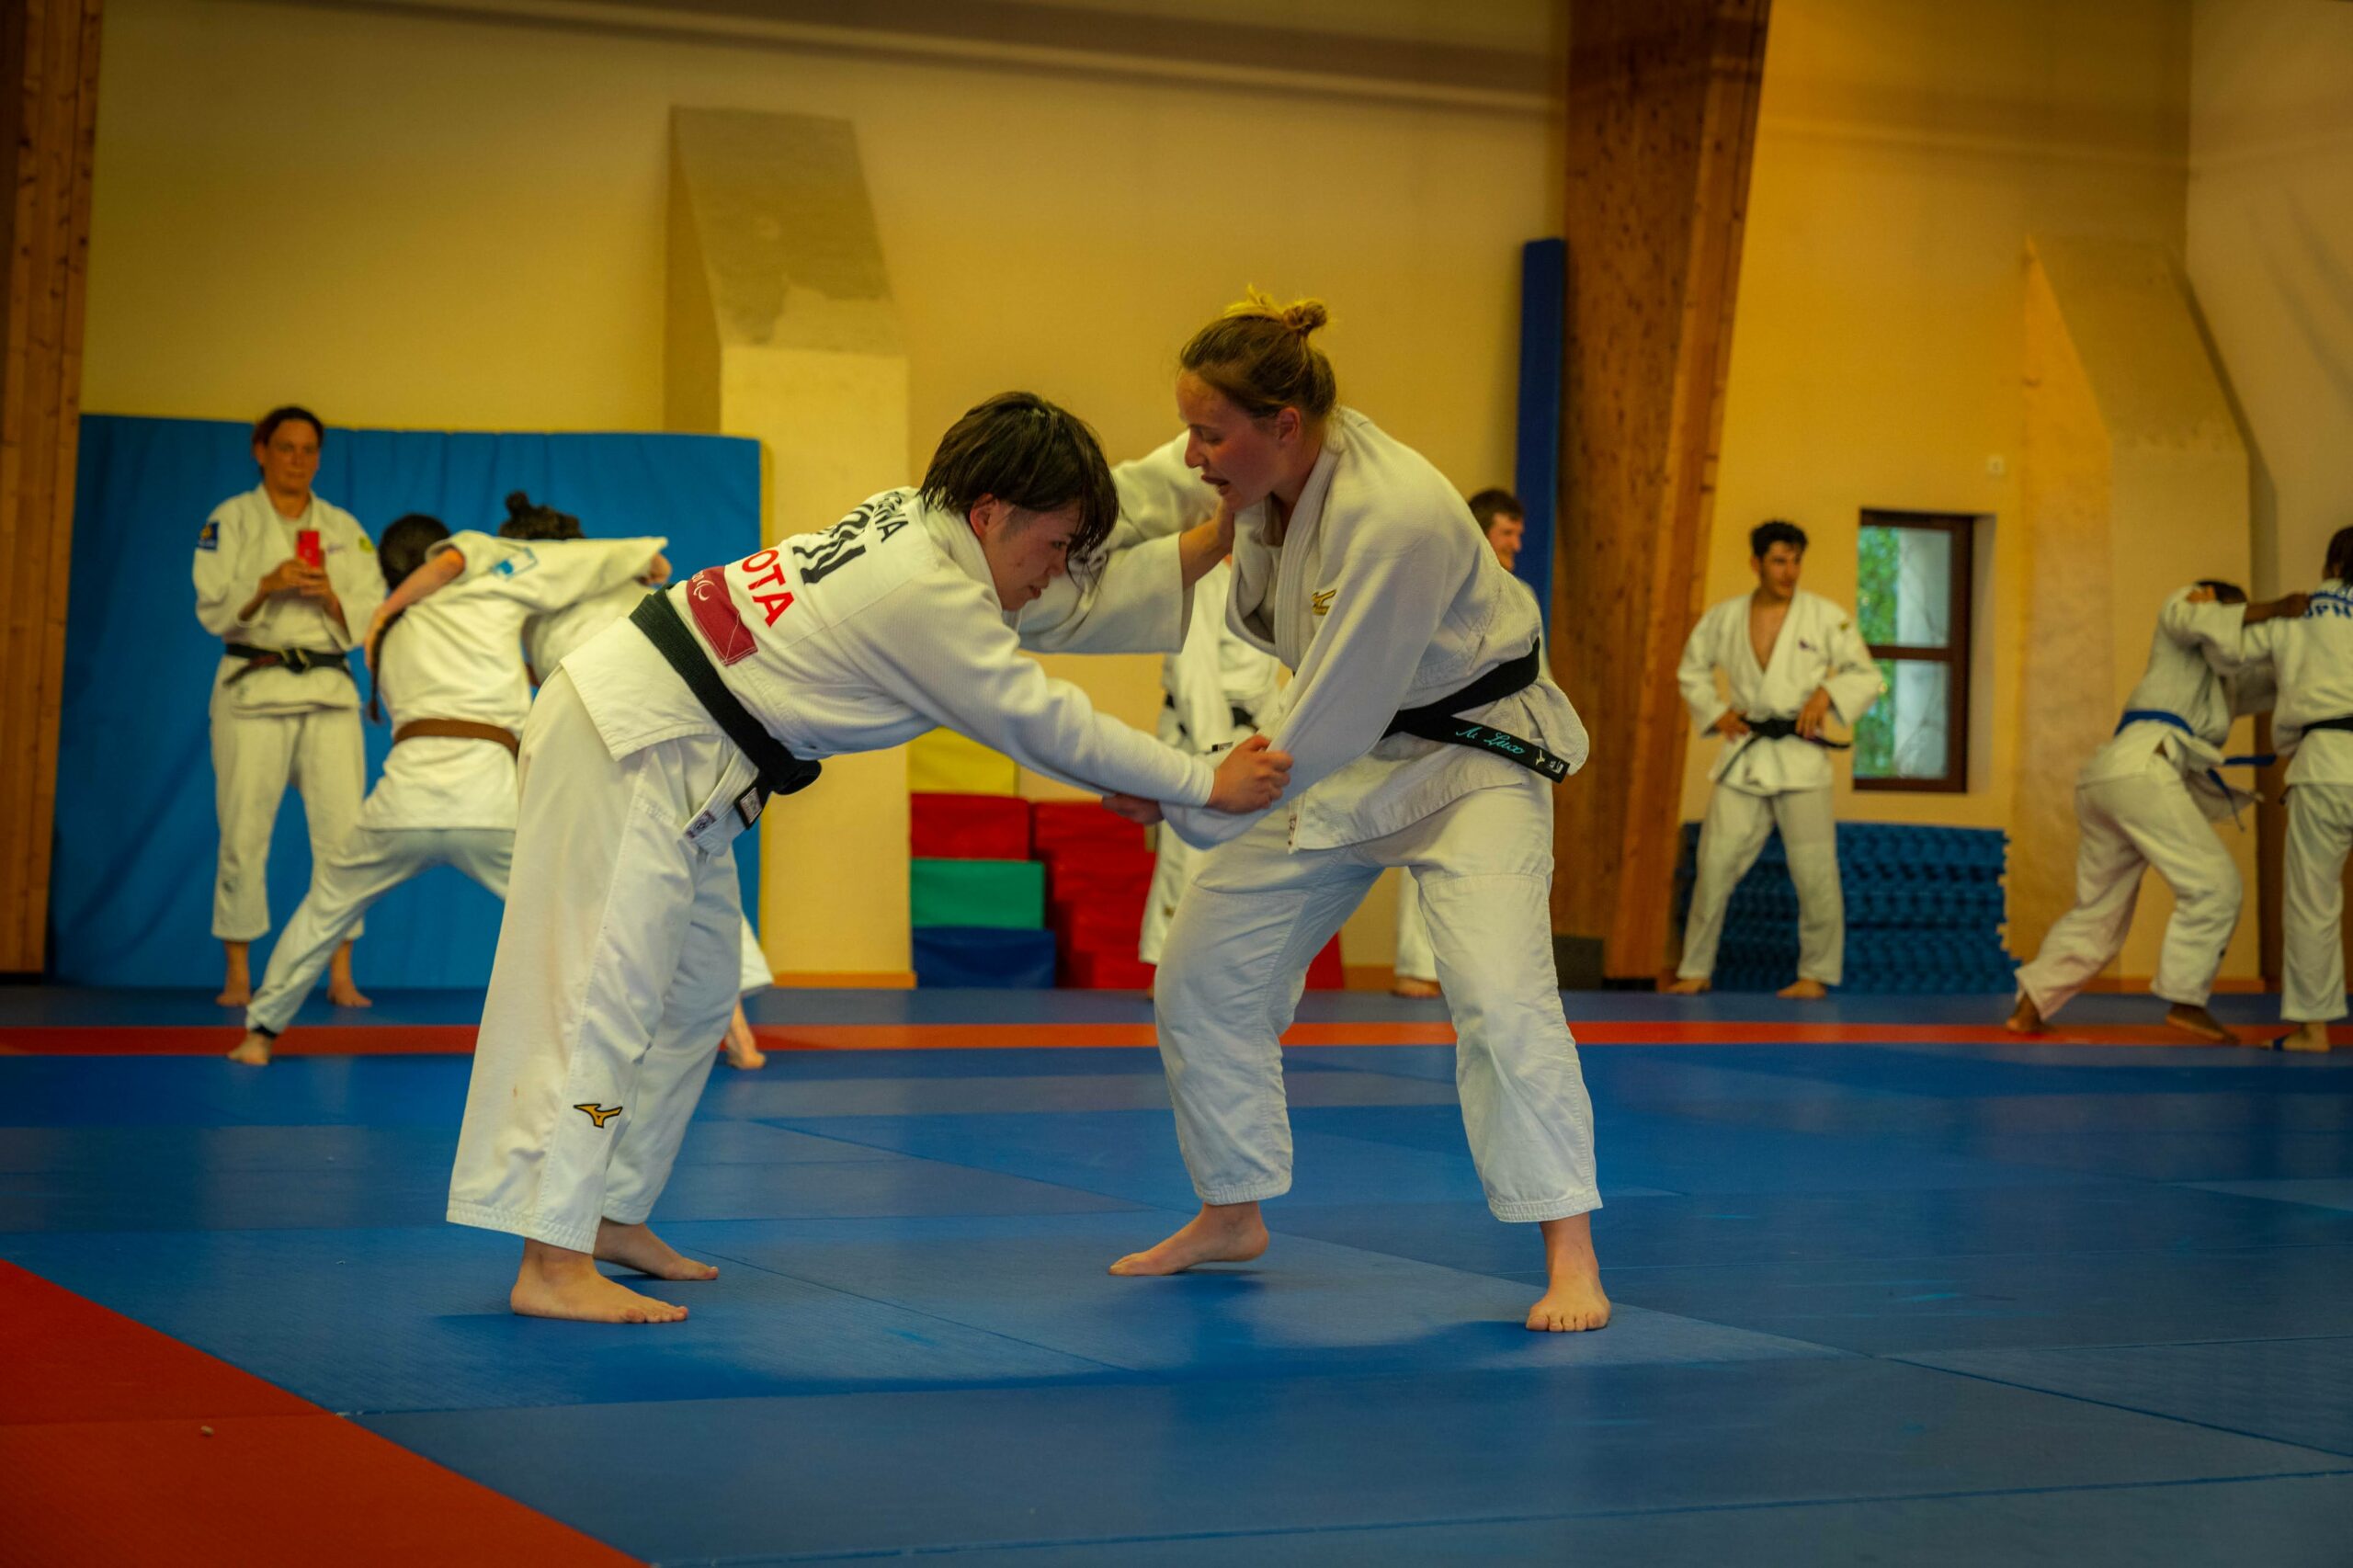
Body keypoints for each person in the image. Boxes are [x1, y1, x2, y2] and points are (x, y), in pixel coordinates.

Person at [446, 392, 1292, 1324]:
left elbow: (1075, 574)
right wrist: (1200, 781)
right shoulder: (923, 593)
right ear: (991, 515)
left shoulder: (926, 523)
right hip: (634, 735)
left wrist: (1212, 464)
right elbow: (1040, 717)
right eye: (1049, 546)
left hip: (680, 747)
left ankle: (609, 1212)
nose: (1053, 573)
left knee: (694, 994)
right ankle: (550, 1259)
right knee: (597, 991)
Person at [1100, 293, 1608, 1334]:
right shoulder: (1253, 456)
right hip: (1347, 748)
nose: (1193, 453)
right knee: (1203, 966)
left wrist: (1184, 791)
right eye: (1190, 427)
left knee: (1501, 1001)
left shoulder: (1396, 515)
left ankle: (1571, 1252)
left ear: (1283, 424)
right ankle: (1232, 1208)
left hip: (1471, 761)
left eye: (1209, 433)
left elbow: (1327, 714)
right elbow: (1135, 495)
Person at [225, 514, 669, 1064]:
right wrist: (637, 557)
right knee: (575, 911)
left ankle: (259, 1034)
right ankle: (630, 1031)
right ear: (440, 558)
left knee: (324, 908)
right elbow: (559, 563)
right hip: (489, 802)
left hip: (401, 803)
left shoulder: (382, 634)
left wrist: (390, 609)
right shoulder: (484, 588)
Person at [495, 493, 774, 1071]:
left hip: (614, 717)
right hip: (694, 706)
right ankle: (736, 1030)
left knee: (626, 875)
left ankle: (607, 1033)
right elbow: (661, 570)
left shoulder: (525, 585)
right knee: (701, 859)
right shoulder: (614, 566)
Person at [2007, 582, 2296, 1044]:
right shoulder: (2179, 617)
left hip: (2112, 777)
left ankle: (2029, 1009)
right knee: (2215, 885)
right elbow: (2196, 618)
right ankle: (2187, 1000)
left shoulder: (2222, 685)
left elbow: (2279, 678)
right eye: (2235, 614)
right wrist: (2276, 607)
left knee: (2099, 912)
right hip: (2141, 770)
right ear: (2208, 599)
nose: (2237, 627)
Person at [193, 406, 385, 1008]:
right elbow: (211, 609)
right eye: (285, 448)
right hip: (253, 688)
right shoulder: (231, 520)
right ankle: (238, 975)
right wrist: (266, 587)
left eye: (308, 450)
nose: (297, 460)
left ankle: (341, 973)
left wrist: (330, 597)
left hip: (327, 691)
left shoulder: (344, 528)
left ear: (318, 458)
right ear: (260, 450)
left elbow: (372, 614)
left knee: (343, 837)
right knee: (244, 833)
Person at [1670, 521, 1882, 998]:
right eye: (1779, 561)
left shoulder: (1825, 616)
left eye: (1796, 560)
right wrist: (1717, 711)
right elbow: (1691, 669)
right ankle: (1695, 969)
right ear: (1756, 563)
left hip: (1801, 756)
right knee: (1715, 862)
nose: (1790, 571)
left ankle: (1816, 974)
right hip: (1745, 754)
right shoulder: (1725, 618)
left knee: (1815, 870)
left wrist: (1828, 693)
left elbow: (1864, 674)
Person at [1394, 488, 1533, 999]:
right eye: (1507, 533)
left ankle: (1467, 971)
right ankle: (1415, 967)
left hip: (1495, 745)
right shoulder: (1438, 585)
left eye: (1519, 534)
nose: (1516, 544)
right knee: (1425, 849)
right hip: (1434, 738)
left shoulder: (1515, 594)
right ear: (1480, 532)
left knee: (1484, 862)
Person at [1138, 553, 1282, 966]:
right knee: (1187, 852)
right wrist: (1217, 754)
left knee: (1246, 857)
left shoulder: (1266, 582)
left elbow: (1265, 680)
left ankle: (1225, 965)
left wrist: (1274, 736)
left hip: (1250, 733)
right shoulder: (1202, 583)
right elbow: (1192, 675)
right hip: (1197, 732)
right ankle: (1168, 966)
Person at [2240, 531, 2353, 1052]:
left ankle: (2312, 1028)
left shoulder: (2295, 619)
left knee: (2313, 901)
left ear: (2331, 563)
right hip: (2324, 753)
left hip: (2325, 763)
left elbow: (2230, 649)